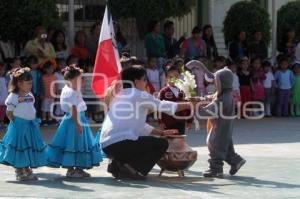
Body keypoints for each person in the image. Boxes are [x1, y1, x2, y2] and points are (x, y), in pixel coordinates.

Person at [100, 65, 193, 180]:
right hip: (119, 144)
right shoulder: (138, 94)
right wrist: (190, 104)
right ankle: (132, 170)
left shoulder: (120, 95)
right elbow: (164, 106)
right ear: (136, 81)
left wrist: (161, 133)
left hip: (107, 146)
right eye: (144, 79)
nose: (146, 83)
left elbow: (139, 125)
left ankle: (118, 165)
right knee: (161, 144)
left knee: (146, 141)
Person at [47, 65, 102, 178]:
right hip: (74, 121)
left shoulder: (71, 90)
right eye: (79, 79)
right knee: (74, 144)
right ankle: (72, 170)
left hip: (76, 119)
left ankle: (78, 168)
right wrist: (78, 124)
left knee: (77, 144)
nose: (81, 81)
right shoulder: (71, 91)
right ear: (71, 80)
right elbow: (73, 109)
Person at [193, 65, 246, 178]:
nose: (215, 84)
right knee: (225, 145)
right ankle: (236, 161)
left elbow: (208, 111)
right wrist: (205, 99)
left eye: (217, 82)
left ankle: (216, 169)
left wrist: (195, 107)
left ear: (222, 83)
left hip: (220, 126)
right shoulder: (226, 95)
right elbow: (215, 97)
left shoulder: (223, 99)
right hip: (226, 125)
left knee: (215, 145)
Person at [0, 67, 47, 181]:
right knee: (19, 147)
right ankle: (19, 171)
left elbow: (30, 107)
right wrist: (15, 122)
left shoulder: (30, 94)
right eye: (28, 83)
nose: (31, 85)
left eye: (31, 83)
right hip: (19, 127)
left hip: (29, 125)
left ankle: (26, 168)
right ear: (19, 84)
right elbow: (9, 112)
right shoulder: (13, 96)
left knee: (27, 147)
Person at [158, 66, 193, 134]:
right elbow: (159, 108)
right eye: (171, 77)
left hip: (181, 120)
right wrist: (160, 122)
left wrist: (189, 120)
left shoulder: (183, 90)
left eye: (176, 77)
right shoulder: (163, 92)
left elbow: (189, 106)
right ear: (166, 78)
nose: (174, 79)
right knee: (169, 140)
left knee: (180, 139)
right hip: (168, 121)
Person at [41, 60, 57, 126]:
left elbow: (56, 86)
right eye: (48, 68)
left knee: (50, 109)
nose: (50, 70)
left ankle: (50, 120)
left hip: (52, 96)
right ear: (45, 69)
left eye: (52, 68)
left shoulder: (54, 77)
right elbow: (41, 87)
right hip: (45, 96)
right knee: (44, 109)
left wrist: (56, 93)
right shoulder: (43, 77)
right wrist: (42, 94)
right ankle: (44, 120)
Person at [0, 63, 8, 129]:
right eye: (0, 70)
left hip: (4, 98)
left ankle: (2, 122)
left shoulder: (5, 78)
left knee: (3, 111)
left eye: (3, 70)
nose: (2, 71)